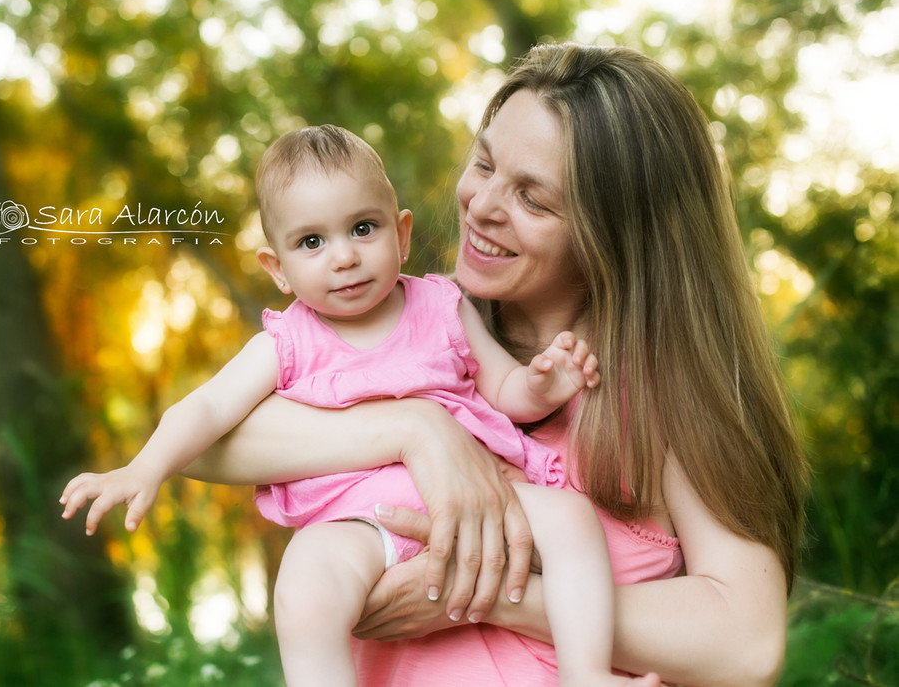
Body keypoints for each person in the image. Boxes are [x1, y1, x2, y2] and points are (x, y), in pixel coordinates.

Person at [182, 44, 811, 687]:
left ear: (615, 232)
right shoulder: (418, 339)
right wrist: (418, 429)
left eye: (533, 201)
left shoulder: (661, 390)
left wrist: (478, 593)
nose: (481, 206)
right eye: (483, 164)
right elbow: (207, 443)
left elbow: (747, 645)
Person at [60, 124, 661, 687]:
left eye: (363, 229)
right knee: (304, 586)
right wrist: (145, 466)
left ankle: (587, 676)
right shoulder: (286, 342)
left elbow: (506, 392)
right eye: (312, 241)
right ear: (280, 269)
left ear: (401, 235)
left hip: (482, 501)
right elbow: (209, 410)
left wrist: (545, 385)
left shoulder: (442, 305)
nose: (343, 256)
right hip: (359, 521)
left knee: (571, 520)